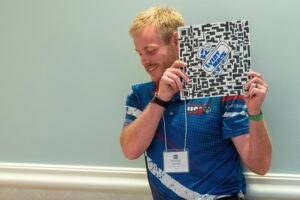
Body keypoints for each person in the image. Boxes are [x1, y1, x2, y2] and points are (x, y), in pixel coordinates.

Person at [120, 6, 272, 200]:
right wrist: (160, 99)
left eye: (150, 51)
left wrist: (255, 112)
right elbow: (130, 151)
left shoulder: (222, 89)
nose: (144, 61)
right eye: (139, 53)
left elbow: (260, 165)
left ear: (177, 41)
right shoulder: (139, 95)